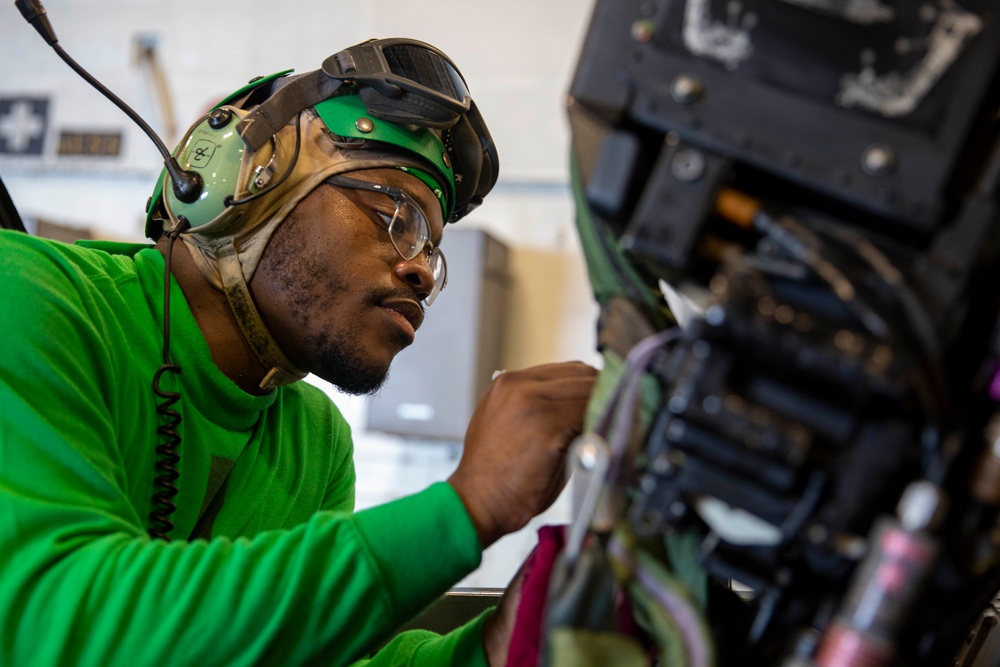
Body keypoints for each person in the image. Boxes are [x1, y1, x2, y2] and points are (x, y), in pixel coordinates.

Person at [0, 38, 596, 666]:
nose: (422, 270)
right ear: (241, 185)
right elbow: (59, 623)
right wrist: (466, 508)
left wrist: (496, 648)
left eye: (433, 250)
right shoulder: (30, 298)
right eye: (396, 213)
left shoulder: (313, 438)